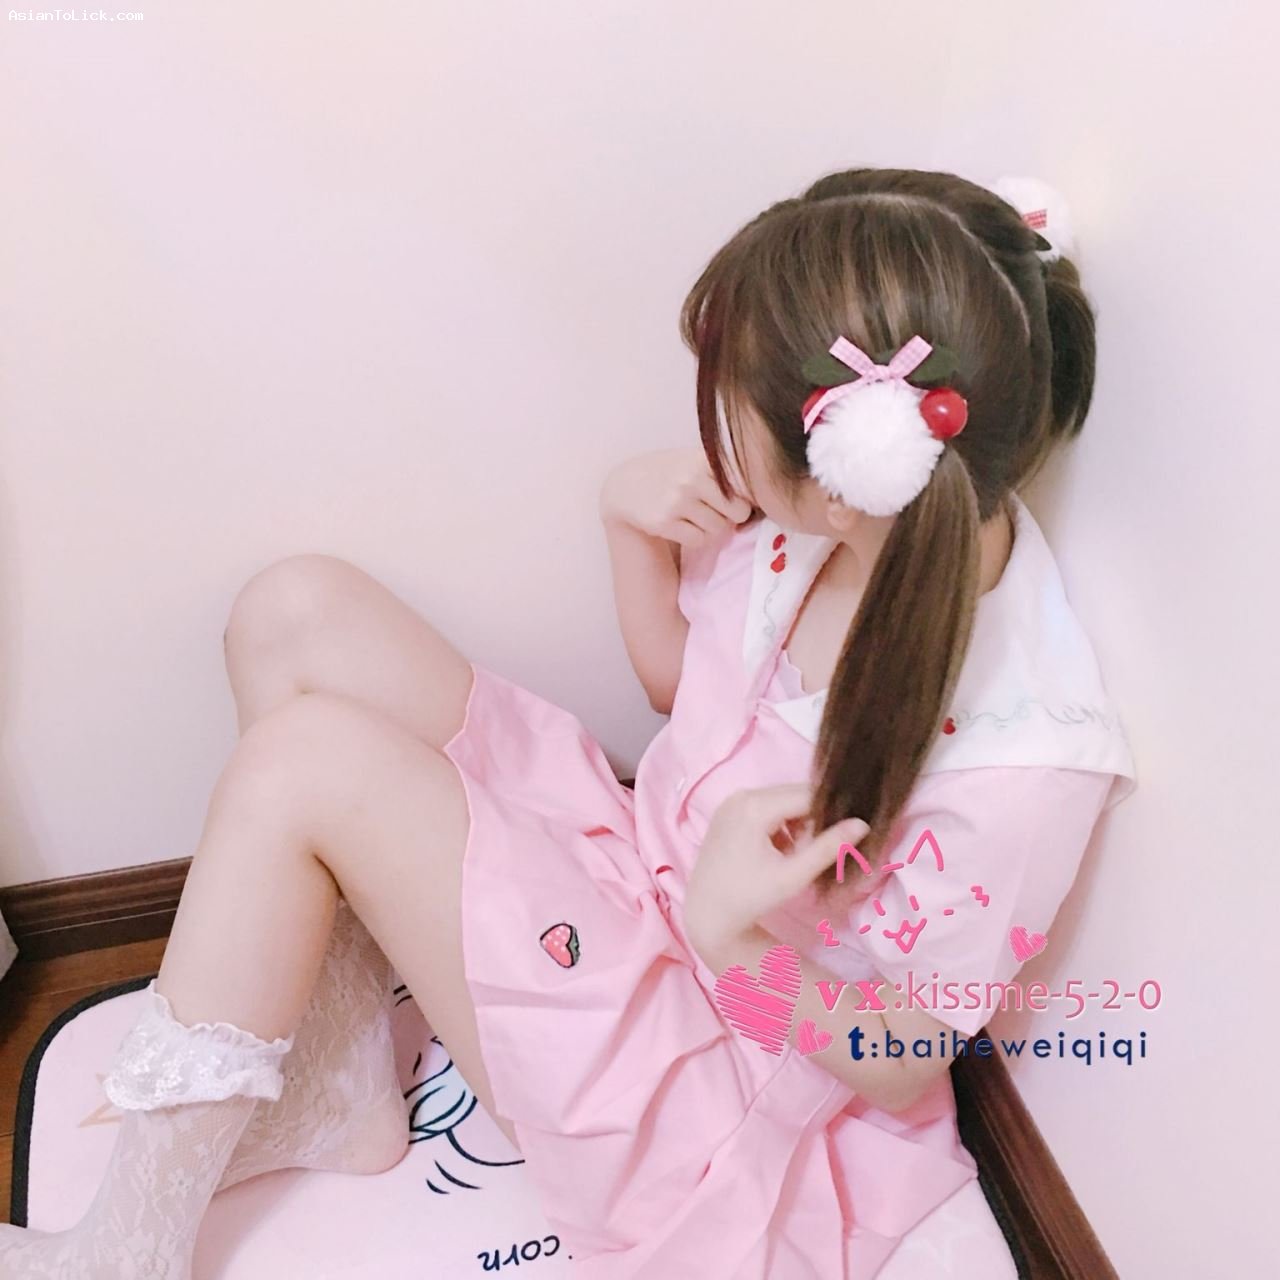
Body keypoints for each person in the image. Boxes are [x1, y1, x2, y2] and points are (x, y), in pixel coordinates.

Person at [0, 166, 1136, 1279]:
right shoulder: (835, 531)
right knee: (293, 613)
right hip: (641, 879)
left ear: (842, 475)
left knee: (298, 766)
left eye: (726, 402)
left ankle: (121, 1258)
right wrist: (626, 526)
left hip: (720, 1078)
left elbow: (903, 1059)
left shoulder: (1016, 764)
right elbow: (684, 693)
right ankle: (342, 1088)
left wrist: (735, 942)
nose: (712, 427)